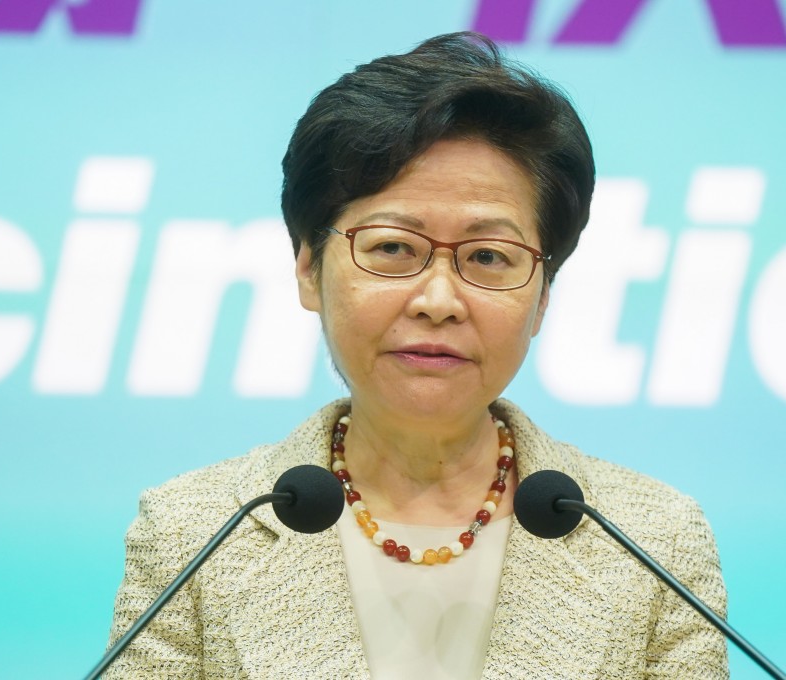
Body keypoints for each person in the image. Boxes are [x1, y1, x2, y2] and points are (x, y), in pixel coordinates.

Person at [105, 32, 727, 679]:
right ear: (309, 269)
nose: (438, 300)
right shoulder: (192, 533)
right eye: (393, 248)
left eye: (488, 257)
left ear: (543, 296)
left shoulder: (655, 541)